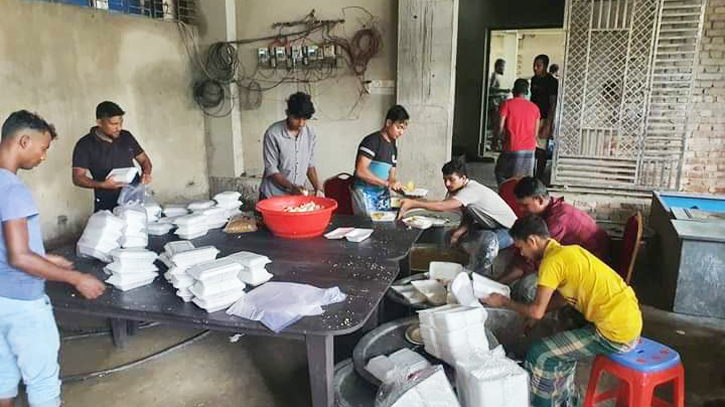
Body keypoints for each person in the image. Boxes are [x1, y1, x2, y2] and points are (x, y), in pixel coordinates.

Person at [1, 111, 106, 407]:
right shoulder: (12, 189)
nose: (43, 157)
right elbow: (19, 256)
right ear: (23, 141)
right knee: (43, 385)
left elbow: (7, 247)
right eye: (43, 148)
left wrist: (45, 259)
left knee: (3, 383)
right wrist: (76, 277)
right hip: (24, 307)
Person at [481, 215, 642, 407]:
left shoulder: (551, 263)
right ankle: (566, 399)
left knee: (541, 354)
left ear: (532, 240)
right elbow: (563, 297)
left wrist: (503, 302)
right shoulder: (569, 251)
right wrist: (536, 314)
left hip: (614, 333)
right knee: (560, 340)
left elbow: (536, 311)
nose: (522, 253)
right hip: (629, 319)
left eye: (521, 247)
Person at [498, 176, 611, 302]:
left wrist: (498, 283)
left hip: (591, 266)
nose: (521, 209)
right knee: (515, 261)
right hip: (571, 256)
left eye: (524, 205)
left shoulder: (556, 221)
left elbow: (529, 261)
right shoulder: (549, 209)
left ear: (540, 200)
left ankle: (536, 315)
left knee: (525, 288)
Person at [399, 158, 518, 274]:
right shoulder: (464, 189)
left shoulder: (471, 190)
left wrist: (413, 203)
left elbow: (444, 206)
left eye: (451, 179)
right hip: (490, 227)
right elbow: (469, 216)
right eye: (445, 179)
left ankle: (474, 277)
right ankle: (451, 268)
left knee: (486, 242)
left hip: (510, 231)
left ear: (463, 178)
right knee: (450, 235)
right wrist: (457, 234)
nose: (447, 184)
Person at [72, 101, 153, 212]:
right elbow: (78, 178)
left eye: (121, 123)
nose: (119, 128)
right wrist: (103, 185)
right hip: (106, 204)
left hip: (134, 199)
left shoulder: (126, 137)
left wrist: (146, 173)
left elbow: (144, 160)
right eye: (113, 124)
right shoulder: (85, 144)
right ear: (99, 122)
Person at [259, 92, 323, 200]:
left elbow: (309, 165)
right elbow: (271, 169)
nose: (301, 123)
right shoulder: (273, 133)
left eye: (305, 119)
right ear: (288, 113)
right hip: (273, 195)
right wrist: (292, 188)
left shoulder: (310, 133)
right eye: (297, 118)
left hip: (296, 196)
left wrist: (318, 188)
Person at [351, 105, 409, 215]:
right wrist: (386, 183)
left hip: (381, 194)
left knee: (388, 223)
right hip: (364, 193)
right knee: (370, 226)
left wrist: (394, 183)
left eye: (403, 129)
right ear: (388, 123)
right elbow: (360, 171)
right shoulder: (372, 141)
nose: (401, 132)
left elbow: (391, 173)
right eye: (398, 127)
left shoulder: (393, 148)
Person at [494, 79, 540, 185]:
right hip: (530, 150)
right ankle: (521, 200)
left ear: (513, 90)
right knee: (524, 182)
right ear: (527, 92)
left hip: (512, 147)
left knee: (501, 174)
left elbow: (500, 127)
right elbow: (535, 133)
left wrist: (496, 140)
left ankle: (506, 197)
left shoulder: (507, 104)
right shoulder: (535, 108)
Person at [530, 55, 558, 180]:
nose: (535, 68)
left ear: (545, 66)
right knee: (531, 148)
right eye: (534, 65)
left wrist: (548, 124)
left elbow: (553, 104)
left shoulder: (552, 82)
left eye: (538, 66)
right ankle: (531, 175)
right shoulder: (534, 80)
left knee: (541, 150)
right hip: (532, 118)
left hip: (544, 119)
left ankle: (539, 177)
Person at [488, 59, 510, 151]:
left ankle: (495, 144)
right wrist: (503, 91)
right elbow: (490, 89)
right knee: (497, 126)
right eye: (502, 67)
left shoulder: (497, 76)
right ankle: (494, 145)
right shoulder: (494, 76)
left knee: (497, 126)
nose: (503, 69)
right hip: (494, 105)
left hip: (498, 104)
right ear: (497, 66)